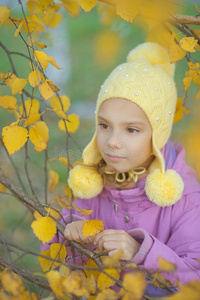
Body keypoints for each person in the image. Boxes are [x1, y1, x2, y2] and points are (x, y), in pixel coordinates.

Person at [42, 42, 200, 297]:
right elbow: (54, 256)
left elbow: (195, 281)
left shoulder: (187, 199)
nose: (113, 141)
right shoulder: (90, 181)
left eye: (131, 129)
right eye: (105, 125)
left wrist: (141, 250)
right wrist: (68, 232)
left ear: (157, 136)